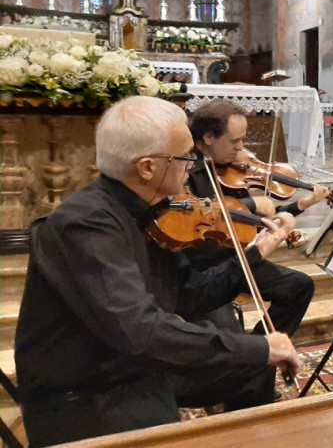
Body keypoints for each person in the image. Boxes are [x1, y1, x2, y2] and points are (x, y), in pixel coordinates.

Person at [14, 96, 301, 448]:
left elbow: (192, 294)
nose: (194, 165)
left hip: (131, 368)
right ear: (147, 167)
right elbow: (141, 330)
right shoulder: (84, 224)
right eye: (186, 157)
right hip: (84, 393)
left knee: (252, 369)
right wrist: (257, 348)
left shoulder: (150, 212)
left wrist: (255, 254)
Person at [186, 100, 330, 338]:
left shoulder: (228, 168)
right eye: (234, 141)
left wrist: (300, 206)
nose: (241, 148)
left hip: (240, 258)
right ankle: (252, 357)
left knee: (299, 286)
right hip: (205, 270)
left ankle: (263, 348)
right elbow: (198, 212)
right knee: (228, 341)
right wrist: (251, 203)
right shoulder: (186, 169)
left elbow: (261, 218)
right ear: (209, 137)